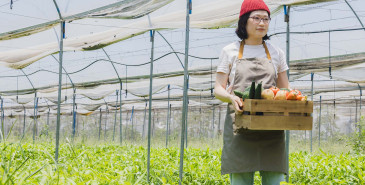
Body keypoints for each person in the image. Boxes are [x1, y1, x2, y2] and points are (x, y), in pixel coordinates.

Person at [214, 0, 290, 184]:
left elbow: (285, 89)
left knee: (274, 179)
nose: (262, 23)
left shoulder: (276, 52)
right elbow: (218, 89)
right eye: (256, 18)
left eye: (266, 19)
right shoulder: (230, 51)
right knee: (241, 179)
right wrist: (231, 98)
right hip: (240, 126)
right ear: (244, 21)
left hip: (271, 127)